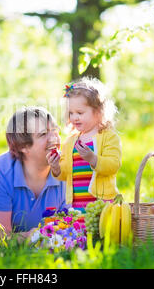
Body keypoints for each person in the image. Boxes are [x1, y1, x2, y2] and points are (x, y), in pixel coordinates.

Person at [0, 106, 67, 238]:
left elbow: (73, 227)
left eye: (55, 130)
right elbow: (0, 237)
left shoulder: (68, 167)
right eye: (43, 134)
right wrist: (35, 236)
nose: (55, 139)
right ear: (23, 147)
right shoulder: (1, 172)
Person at [47, 77, 122, 213]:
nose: (74, 117)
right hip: (77, 204)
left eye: (80, 113)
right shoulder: (70, 142)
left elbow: (113, 165)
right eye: (71, 113)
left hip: (102, 203)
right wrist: (56, 167)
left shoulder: (108, 137)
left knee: (100, 232)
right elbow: (66, 173)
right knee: (81, 231)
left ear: (98, 112)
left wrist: (93, 158)